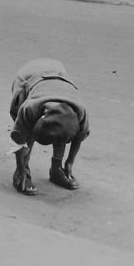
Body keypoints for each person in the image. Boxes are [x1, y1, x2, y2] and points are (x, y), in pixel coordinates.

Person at [9, 58, 90, 196]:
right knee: (27, 131)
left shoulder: (80, 111)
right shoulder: (30, 107)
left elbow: (79, 137)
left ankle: (56, 169)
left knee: (61, 129)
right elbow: (19, 138)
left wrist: (69, 162)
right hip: (28, 76)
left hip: (56, 74)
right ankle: (22, 173)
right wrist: (21, 168)